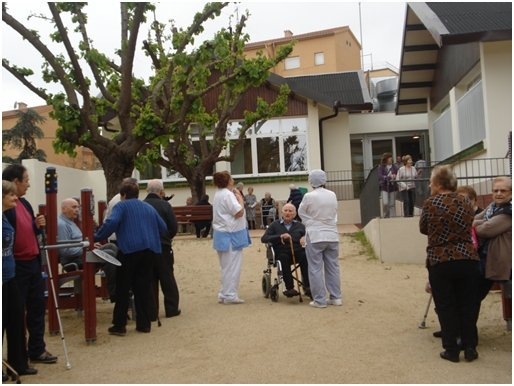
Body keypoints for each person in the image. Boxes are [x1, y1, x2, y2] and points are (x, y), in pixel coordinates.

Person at [419, 165, 480, 363]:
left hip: (440, 259)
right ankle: (470, 347)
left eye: (431, 182)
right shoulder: (464, 201)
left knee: (446, 305)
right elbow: (471, 221)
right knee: (468, 304)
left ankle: (451, 349)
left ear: (437, 184)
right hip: (467, 257)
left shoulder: (430, 203)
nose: (430, 185)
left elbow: (423, 228)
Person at [94, 178, 167, 335]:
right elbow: (163, 227)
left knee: (123, 287)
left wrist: (96, 236)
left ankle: (119, 325)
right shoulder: (147, 207)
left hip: (129, 250)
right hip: (149, 251)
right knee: (143, 287)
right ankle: (144, 323)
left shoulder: (121, 206)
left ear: (123, 195)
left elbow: (111, 223)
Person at [2, 164, 58, 364]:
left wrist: (37, 225)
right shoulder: (7, 209)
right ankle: (18, 356)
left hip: (33, 262)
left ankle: (37, 349)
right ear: (15, 182)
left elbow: (29, 231)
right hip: (16, 265)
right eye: (26, 180)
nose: (28, 185)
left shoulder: (24, 204)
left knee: (37, 307)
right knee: (15, 313)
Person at [430, 185, 484, 339]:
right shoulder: (456, 215)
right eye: (460, 198)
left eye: (466, 199)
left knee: (465, 302)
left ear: (474, 200)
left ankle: (462, 337)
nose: (463, 202)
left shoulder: (478, 215)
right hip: (453, 260)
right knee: (447, 296)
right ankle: (451, 330)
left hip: (475, 263)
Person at [2, 180, 38, 377]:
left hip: (10, 275)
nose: (16, 198)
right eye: (11, 195)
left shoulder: (5, 217)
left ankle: (18, 363)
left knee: (16, 319)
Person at [298, 169, 342, 308]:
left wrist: (310, 222)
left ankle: (320, 300)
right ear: (324, 180)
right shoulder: (332, 194)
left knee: (315, 268)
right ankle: (336, 297)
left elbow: (301, 212)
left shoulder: (309, 196)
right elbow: (334, 213)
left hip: (316, 234)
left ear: (311, 181)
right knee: (333, 266)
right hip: (332, 234)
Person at [473, 177, 511, 324]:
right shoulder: (493, 207)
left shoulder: (509, 211)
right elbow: (476, 219)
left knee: (474, 296)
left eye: (503, 190)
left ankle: (466, 335)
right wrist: (480, 222)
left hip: (500, 264)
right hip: (486, 258)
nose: (499, 193)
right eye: (496, 190)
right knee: (473, 296)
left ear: (511, 192)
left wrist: (479, 224)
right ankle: (463, 333)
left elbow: (486, 230)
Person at [212, 171, 251, 304]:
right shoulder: (227, 194)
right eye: (231, 177)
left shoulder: (218, 193)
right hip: (230, 234)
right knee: (232, 266)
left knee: (225, 266)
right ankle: (230, 295)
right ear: (228, 181)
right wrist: (240, 198)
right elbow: (239, 212)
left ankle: (224, 293)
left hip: (222, 233)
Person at [144, 179, 181, 319]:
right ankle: (171, 308)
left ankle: (152, 311)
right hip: (163, 245)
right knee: (167, 277)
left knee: (150, 278)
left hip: (146, 247)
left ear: (147, 191)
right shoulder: (165, 205)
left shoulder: (142, 205)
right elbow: (173, 227)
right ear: (161, 191)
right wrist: (167, 238)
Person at [261, 203, 310, 298]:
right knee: (284, 258)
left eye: (290, 211)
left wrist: (305, 237)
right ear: (282, 213)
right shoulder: (274, 225)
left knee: (305, 256)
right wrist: (280, 236)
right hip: (281, 252)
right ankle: (289, 288)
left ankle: (308, 286)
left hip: (297, 251)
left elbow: (309, 236)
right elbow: (264, 238)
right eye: (286, 211)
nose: (288, 213)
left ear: (295, 214)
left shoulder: (300, 226)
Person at [57, 198, 83, 270]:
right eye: (74, 207)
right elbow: (65, 251)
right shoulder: (62, 224)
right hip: (72, 261)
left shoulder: (71, 221)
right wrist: (85, 248)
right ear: (64, 209)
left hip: (81, 256)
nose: (77, 210)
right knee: (109, 253)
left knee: (111, 247)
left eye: (78, 207)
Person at [377, 152, 398, 218]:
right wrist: (387, 177)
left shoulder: (395, 167)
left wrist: (395, 176)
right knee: (385, 203)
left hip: (393, 187)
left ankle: (392, 217)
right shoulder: (381, 167)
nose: (391, 159)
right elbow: (380, 176)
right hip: (384, 187)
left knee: (392, 204)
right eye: (389, 158)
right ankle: (386, 215)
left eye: (391, 158)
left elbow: (398, 175)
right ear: (386, 159)